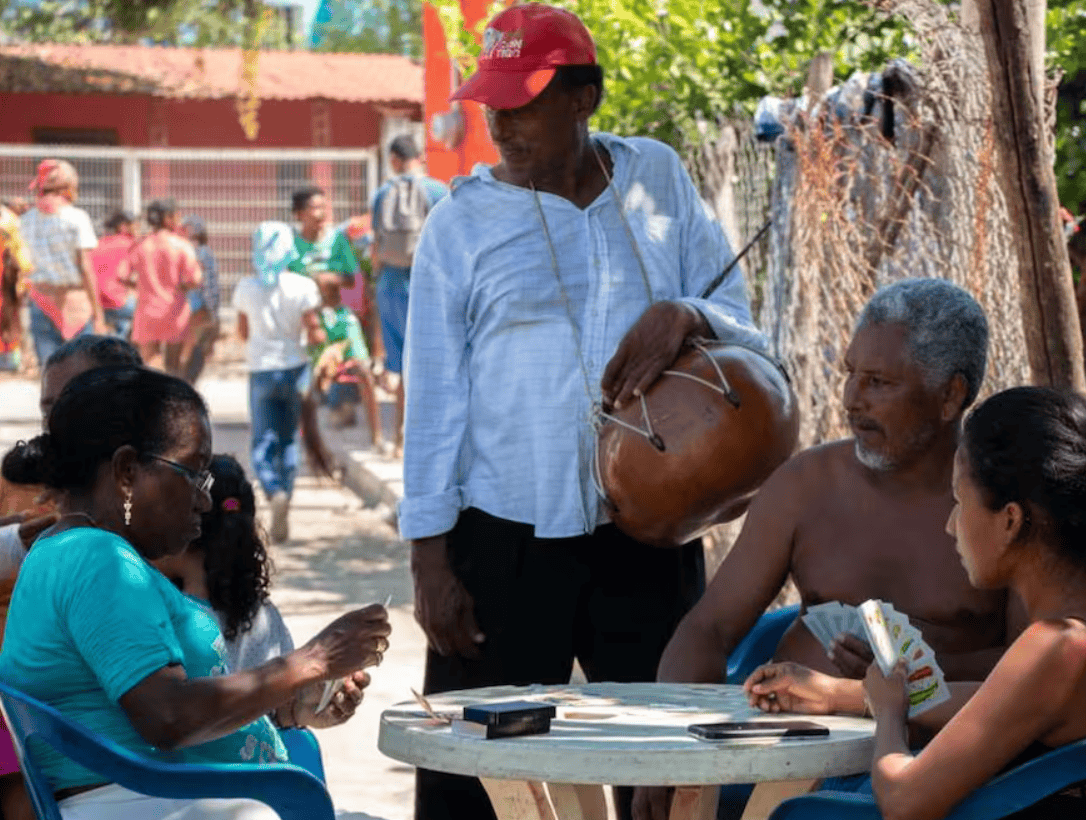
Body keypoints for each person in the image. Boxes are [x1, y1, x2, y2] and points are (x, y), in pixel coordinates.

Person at [401, 5, 765, 819]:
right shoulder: (459, 226)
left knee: (665, 763)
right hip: (500, 538)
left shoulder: (657, 179)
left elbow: (744, 319)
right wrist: (430, 561)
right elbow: (432, 402)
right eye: (491, 102)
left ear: (586, 97)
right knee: (475, 775)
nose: (498, 122)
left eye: (521, 102)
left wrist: (688, 314)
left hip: (650, 531)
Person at [632, 278, 1017, 820]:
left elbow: (1037, 669)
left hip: (929, 768)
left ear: (951, 395)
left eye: (879, 382)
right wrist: (672, 752)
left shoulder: (1003, 507)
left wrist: (902, 678)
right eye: (850, 375)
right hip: (782, 756)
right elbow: (708, 628)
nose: (851, 400)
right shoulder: (806, 485)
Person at [0, 365, 391, 820]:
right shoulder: (96, 559)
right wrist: (314, 659)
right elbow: (168, 717)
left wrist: (288, 707)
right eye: (192, 474)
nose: (204, 500)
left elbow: (128, 716)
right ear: (127, 472)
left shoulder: (68, 553)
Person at [744, 386, 1086, 819]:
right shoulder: (1067, 644)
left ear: (1010, 520)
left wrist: (890, 716)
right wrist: (839, 694)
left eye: (960, 502)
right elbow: (997, 704)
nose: (949, 525)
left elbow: (905, 800)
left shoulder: (1057, 646)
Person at [0, 334, 143, 820]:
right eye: (50, 409)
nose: (60, 424)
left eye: (77, 403)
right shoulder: (18, 485)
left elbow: (233, 512)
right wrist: (19, 539)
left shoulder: (169, 503)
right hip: (47, 745)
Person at [154, 454, 369, 728]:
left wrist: (293, 711)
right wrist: (293, 712)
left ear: (185, 529)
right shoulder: (265, 618)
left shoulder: (167, 618)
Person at [232, 222, 324, 544]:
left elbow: (243, 333)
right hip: (295, 369)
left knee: (262, 441)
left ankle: (272, 491)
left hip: (260, 370)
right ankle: (285, 490)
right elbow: (314, 331)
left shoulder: (245, 287)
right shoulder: (303, 286)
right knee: (289, 439)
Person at [370, 135, 447, 457]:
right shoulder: (439, 191)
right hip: (429, 287)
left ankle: (400, 440)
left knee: (399, 367)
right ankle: (429, 439)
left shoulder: (383, 193)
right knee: (430, 365)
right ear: (419, 156)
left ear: (394, 159)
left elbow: (376, 248)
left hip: (391, 286)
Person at [19, 159, 109, 368]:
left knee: (51, 374)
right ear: (69, 187)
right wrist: (98, 315)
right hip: (76, 304)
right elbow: (86, 267)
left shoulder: (25, 220)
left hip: (41, 302)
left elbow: (22, 266)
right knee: (82, 373)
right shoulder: (77, 218)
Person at [128, 199, 203, 375]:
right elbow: (196, 279)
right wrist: (182, 287)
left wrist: (142, 285)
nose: (180, 219)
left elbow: (122, 275)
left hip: (146, 311)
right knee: (174, 366)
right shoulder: (182, 245)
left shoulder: (140, 245)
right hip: (174, 311)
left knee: (148, 363)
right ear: (168, 219)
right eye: (177, 215)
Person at [310, 272, 384, 445]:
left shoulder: (347, 315)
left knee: (366, 376)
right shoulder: (318, 316)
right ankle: (312, 442)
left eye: (335, 289)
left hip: (349, 362)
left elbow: (357, 349)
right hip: (327, 364)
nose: (333, 293)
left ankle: (376, 436)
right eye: (328, 289)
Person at [288, 187, 359, 290]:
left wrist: (331, 279)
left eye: (323, 207)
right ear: (299, 214)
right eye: (315, 208)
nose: (322, 213)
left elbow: (351, 280)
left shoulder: (337, 239)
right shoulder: (290, 242)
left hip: (331, 303)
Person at [178, 216, 221, 384]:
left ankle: (184, 377)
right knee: (196, 346)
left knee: (188, 345)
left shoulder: (185, 250)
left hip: (187, 305)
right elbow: (211, 284)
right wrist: (212, 310)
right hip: (198, 306)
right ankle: (187, 379)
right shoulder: (204, 251)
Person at [91, 210, 138, 339]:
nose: (138, 228)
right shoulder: (131, 245)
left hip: (96, 303)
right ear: (123, 227)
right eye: (135, 224)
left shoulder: (97, 244)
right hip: (119, 302)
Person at [0, 201, 32, 372]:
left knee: (12, 320)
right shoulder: (10, 225)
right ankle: (14, 359)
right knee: (12, 320)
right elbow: (23, 263)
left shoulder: (9, 226)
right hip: (9, 285)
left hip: (8, 284)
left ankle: (14, 358)